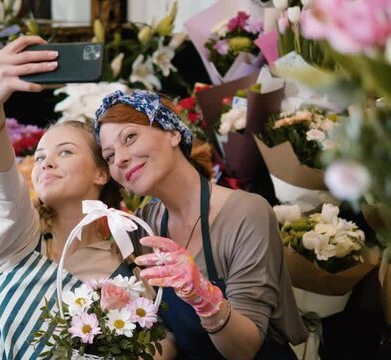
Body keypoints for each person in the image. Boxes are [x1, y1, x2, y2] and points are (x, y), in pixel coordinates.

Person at [0, 36, 132, 359]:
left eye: (65, 152)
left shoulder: (122, 265)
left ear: (102, 173)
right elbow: (2, 185)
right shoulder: (20, 234)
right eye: (40, 157)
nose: (46, 163)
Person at [95, 90, 308, 359]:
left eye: (130, 137)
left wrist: (205, 299)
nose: (120, 159)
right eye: (109, 155)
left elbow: (244, 349)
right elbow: (168, 338)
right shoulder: (144, 224)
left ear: (173, 133)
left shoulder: (245, 213)